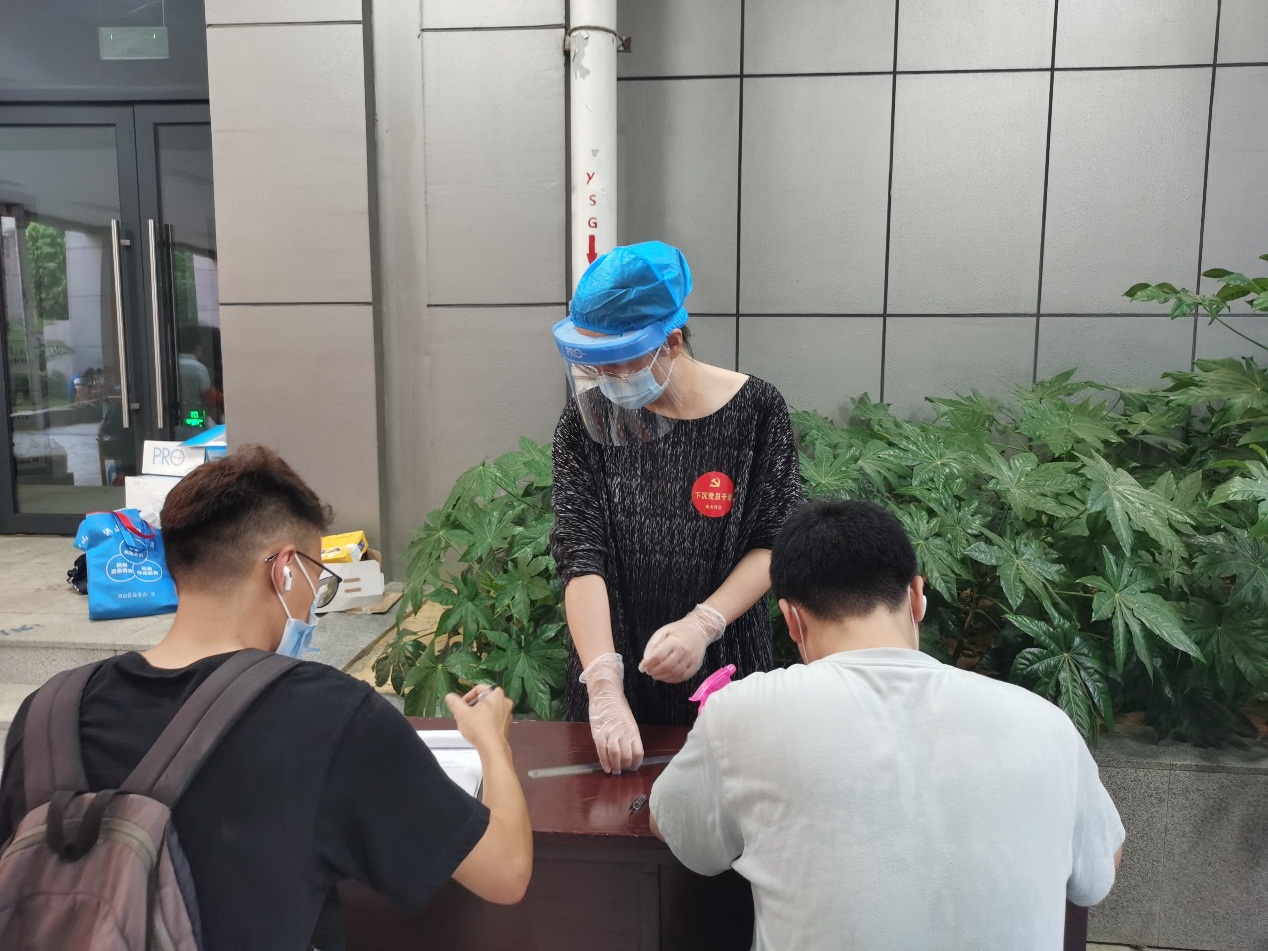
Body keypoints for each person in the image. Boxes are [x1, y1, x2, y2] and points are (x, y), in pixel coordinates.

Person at [0, 446, 532, 951]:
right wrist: (492, 743)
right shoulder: (330, 716)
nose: (314, 601)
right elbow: (505, 872)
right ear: (285, 568)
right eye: (318, 579)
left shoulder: (46, 713)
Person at [649, 499, 1125, 951]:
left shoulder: (743, 713)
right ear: (917, 596)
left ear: (792, 619)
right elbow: (1099, 870)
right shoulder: (1045, 724)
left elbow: (677, 829)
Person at [550, 241, 802, 775]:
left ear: (671, 341)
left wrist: (703, 624)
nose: (608, 382)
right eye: (597, 368)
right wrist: (602, 681)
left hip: (725, 665)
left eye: (619, 365)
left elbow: (774, 542)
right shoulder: (582, 423)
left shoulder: (757, 411)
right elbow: (579, 553)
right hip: (614, 661)